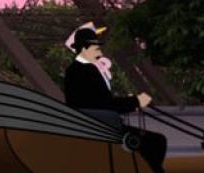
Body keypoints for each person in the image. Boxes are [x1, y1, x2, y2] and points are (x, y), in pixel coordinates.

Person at [63, 24, 166, 172]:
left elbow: (96, 100)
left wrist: (131, 101)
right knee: (156, 142)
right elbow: (102, 103)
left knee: (151, 143)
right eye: (96, 47)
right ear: (84, 48)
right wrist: (135, 101)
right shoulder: (85, 71)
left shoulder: (78, 69)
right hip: (101, 125)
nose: (99, 50)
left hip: (95, 124)